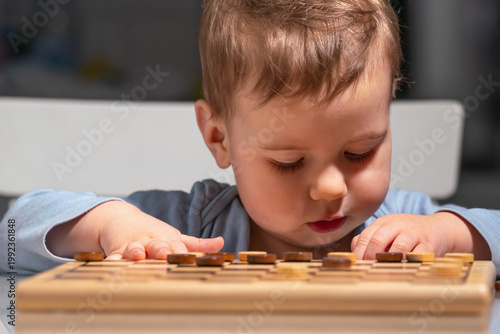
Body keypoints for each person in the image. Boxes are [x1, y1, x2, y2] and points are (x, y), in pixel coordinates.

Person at [1, 0, 498, 275]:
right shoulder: (187, 223)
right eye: (287, 161)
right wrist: (112, 225)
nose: (330, 188)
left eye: (359, 152)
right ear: (218, 137)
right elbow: (13, 232)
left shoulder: (409, 221)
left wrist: (453, 234)